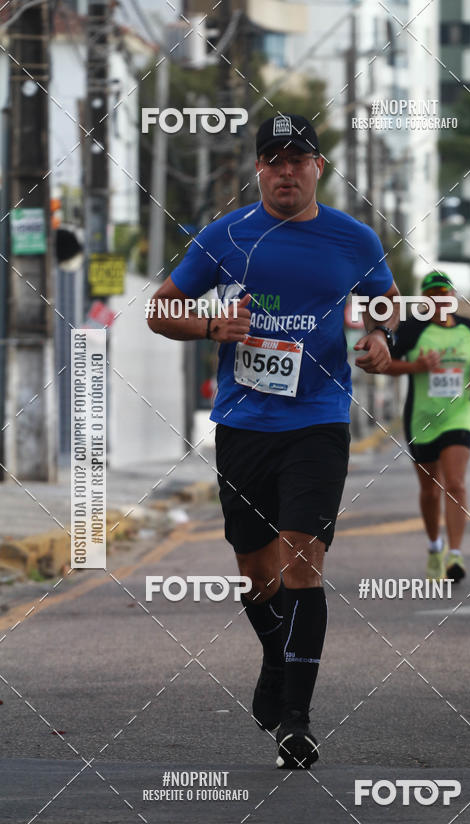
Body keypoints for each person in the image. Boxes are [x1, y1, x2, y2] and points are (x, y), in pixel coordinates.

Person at [148, 113, 399, 769]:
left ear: (319, 168)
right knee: (258, 574)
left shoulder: (354, 238)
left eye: (298, 160)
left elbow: (386, 301)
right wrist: (210, 326)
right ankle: (274, 656)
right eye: (274, 160)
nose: (286, 172)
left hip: (318, 421)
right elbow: (160, 309)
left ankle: (296, 719)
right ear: (259, 169)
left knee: (302, 563)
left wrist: (381, 338)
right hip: (243, 425)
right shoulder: (225, 235)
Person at [385, 271, 470, 582]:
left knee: (455, 483)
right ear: (424, 299)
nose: (440, 299)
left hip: (459, 414)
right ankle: (435, 547)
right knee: (430, 490)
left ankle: (455, 554)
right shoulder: (412, 329)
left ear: (453, 296)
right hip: (422, 417)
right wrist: (415, 366)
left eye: (444, 293)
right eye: (433, 294)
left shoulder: (467, 327)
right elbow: (385, 363)